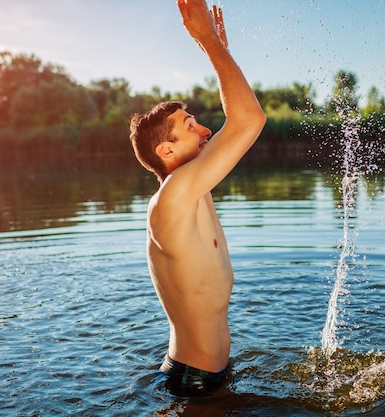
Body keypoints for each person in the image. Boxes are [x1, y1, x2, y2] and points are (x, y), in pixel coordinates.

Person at [129, 0, 266, 396]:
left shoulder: (193, 188)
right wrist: (208, 41)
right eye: (190, 127)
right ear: (166, 152)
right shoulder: (173, 197)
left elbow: (239, 118)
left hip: (208, 375)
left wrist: (214, 49)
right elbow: (250, 120)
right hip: (195, 381)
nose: (206, 130)